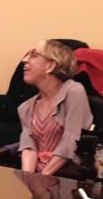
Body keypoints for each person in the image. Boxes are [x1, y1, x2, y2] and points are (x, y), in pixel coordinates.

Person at [17, 40, 93, 176]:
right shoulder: (26, 107)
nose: (24, 60)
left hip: (66, 177)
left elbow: (71, 142)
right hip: (38, 177)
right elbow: (29, 148)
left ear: (50, 66)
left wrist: (41, 178)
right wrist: (28, 180)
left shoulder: (74, 91)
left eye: (33, 55)